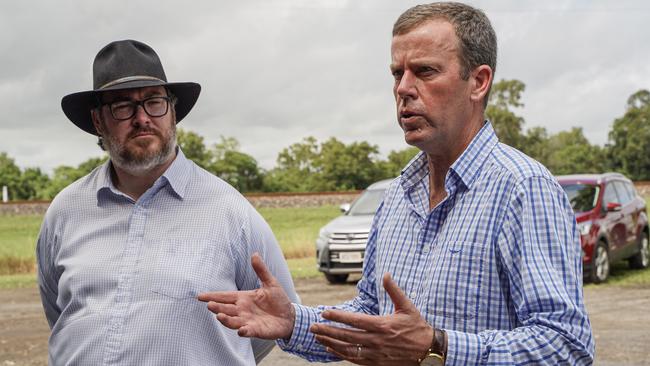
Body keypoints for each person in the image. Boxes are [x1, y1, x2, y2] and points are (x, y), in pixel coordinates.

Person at [198, 2, 595, 365]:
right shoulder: (399, 196)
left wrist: (437, 345)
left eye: (424, 71)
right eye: (396, 73)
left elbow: (567, 346)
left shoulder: (523, 189)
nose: (403, 88)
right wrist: (293, 321)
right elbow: (373, 315)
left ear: (478, 82)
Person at [36, 39, 298, 365]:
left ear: (173, 112)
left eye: (154, 101)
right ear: (98, 121)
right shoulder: (65, 211)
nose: (142, 118)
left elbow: (273, 320)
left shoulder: (230, 211)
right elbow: (60, 315)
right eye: (122, 106)